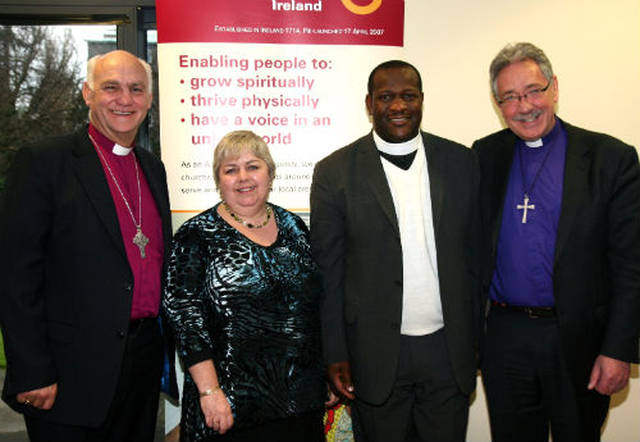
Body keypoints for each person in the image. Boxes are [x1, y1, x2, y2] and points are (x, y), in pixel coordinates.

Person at [0, 50, 171, 442]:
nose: (124, 99)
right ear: (87, 93)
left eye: (136, 89)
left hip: (141, 363)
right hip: (67, 371)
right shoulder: (44, 161)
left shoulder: (152, 167)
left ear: (148, 99)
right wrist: (32, 370)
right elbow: (15, 276)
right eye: (111, 88)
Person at [472, 42, 640, 442]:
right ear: (498, 104)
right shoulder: (484, 155)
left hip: (578, 338)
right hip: (504, 336)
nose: (524, 106)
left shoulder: (609, 158)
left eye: (533, 90)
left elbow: (632, 264)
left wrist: (617, 349)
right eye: (509, 97)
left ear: (555, 88)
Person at [310, 60, 481, 442]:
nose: (398, 106)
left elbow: (476, 259)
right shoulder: (334, 172)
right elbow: (328, 273)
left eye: (408, 96)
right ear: (369, 104)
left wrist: (478, 340)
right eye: (386, 97)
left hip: (447, 350)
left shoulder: (462, 162)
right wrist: (334, 352)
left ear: (422, 101)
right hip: (373, 353)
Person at [163, 130, 326, 442]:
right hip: (229, 408)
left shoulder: (295, 227)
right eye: (230, 169)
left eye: (253, 166)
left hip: (301, 403)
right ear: (218, 180)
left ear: (270, 173)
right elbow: (185, 319)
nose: (243, 177)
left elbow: (313, 307)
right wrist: (209, 391)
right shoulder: (196, 235)